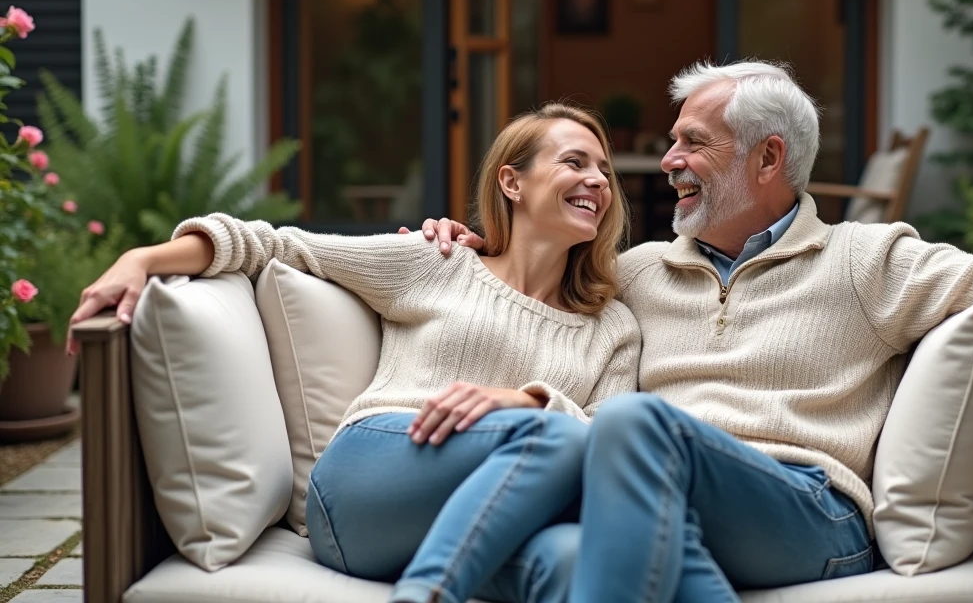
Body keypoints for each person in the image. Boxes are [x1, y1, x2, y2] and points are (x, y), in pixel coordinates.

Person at [416, 60, 973, 601]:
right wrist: (472, 246)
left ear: (767, 159)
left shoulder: (860, 259)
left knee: (633, 427)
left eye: (692, 143)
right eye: (672, 142)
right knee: (615, 481)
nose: (667, 162)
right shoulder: (637, 273)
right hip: (669, 498)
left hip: (809, 512)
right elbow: (549, 301)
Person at [68, 103, 641, 603]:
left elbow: (612, 442)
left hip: (474, 516)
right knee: (553, 434)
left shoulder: (612, 327)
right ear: (512, 183)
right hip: (370, 482)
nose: (597, 180)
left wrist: (521, 400)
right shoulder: (436, 262)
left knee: (569, 561)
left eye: (604, 170)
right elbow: (273, 244)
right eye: (575, 162)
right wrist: (142, 259)